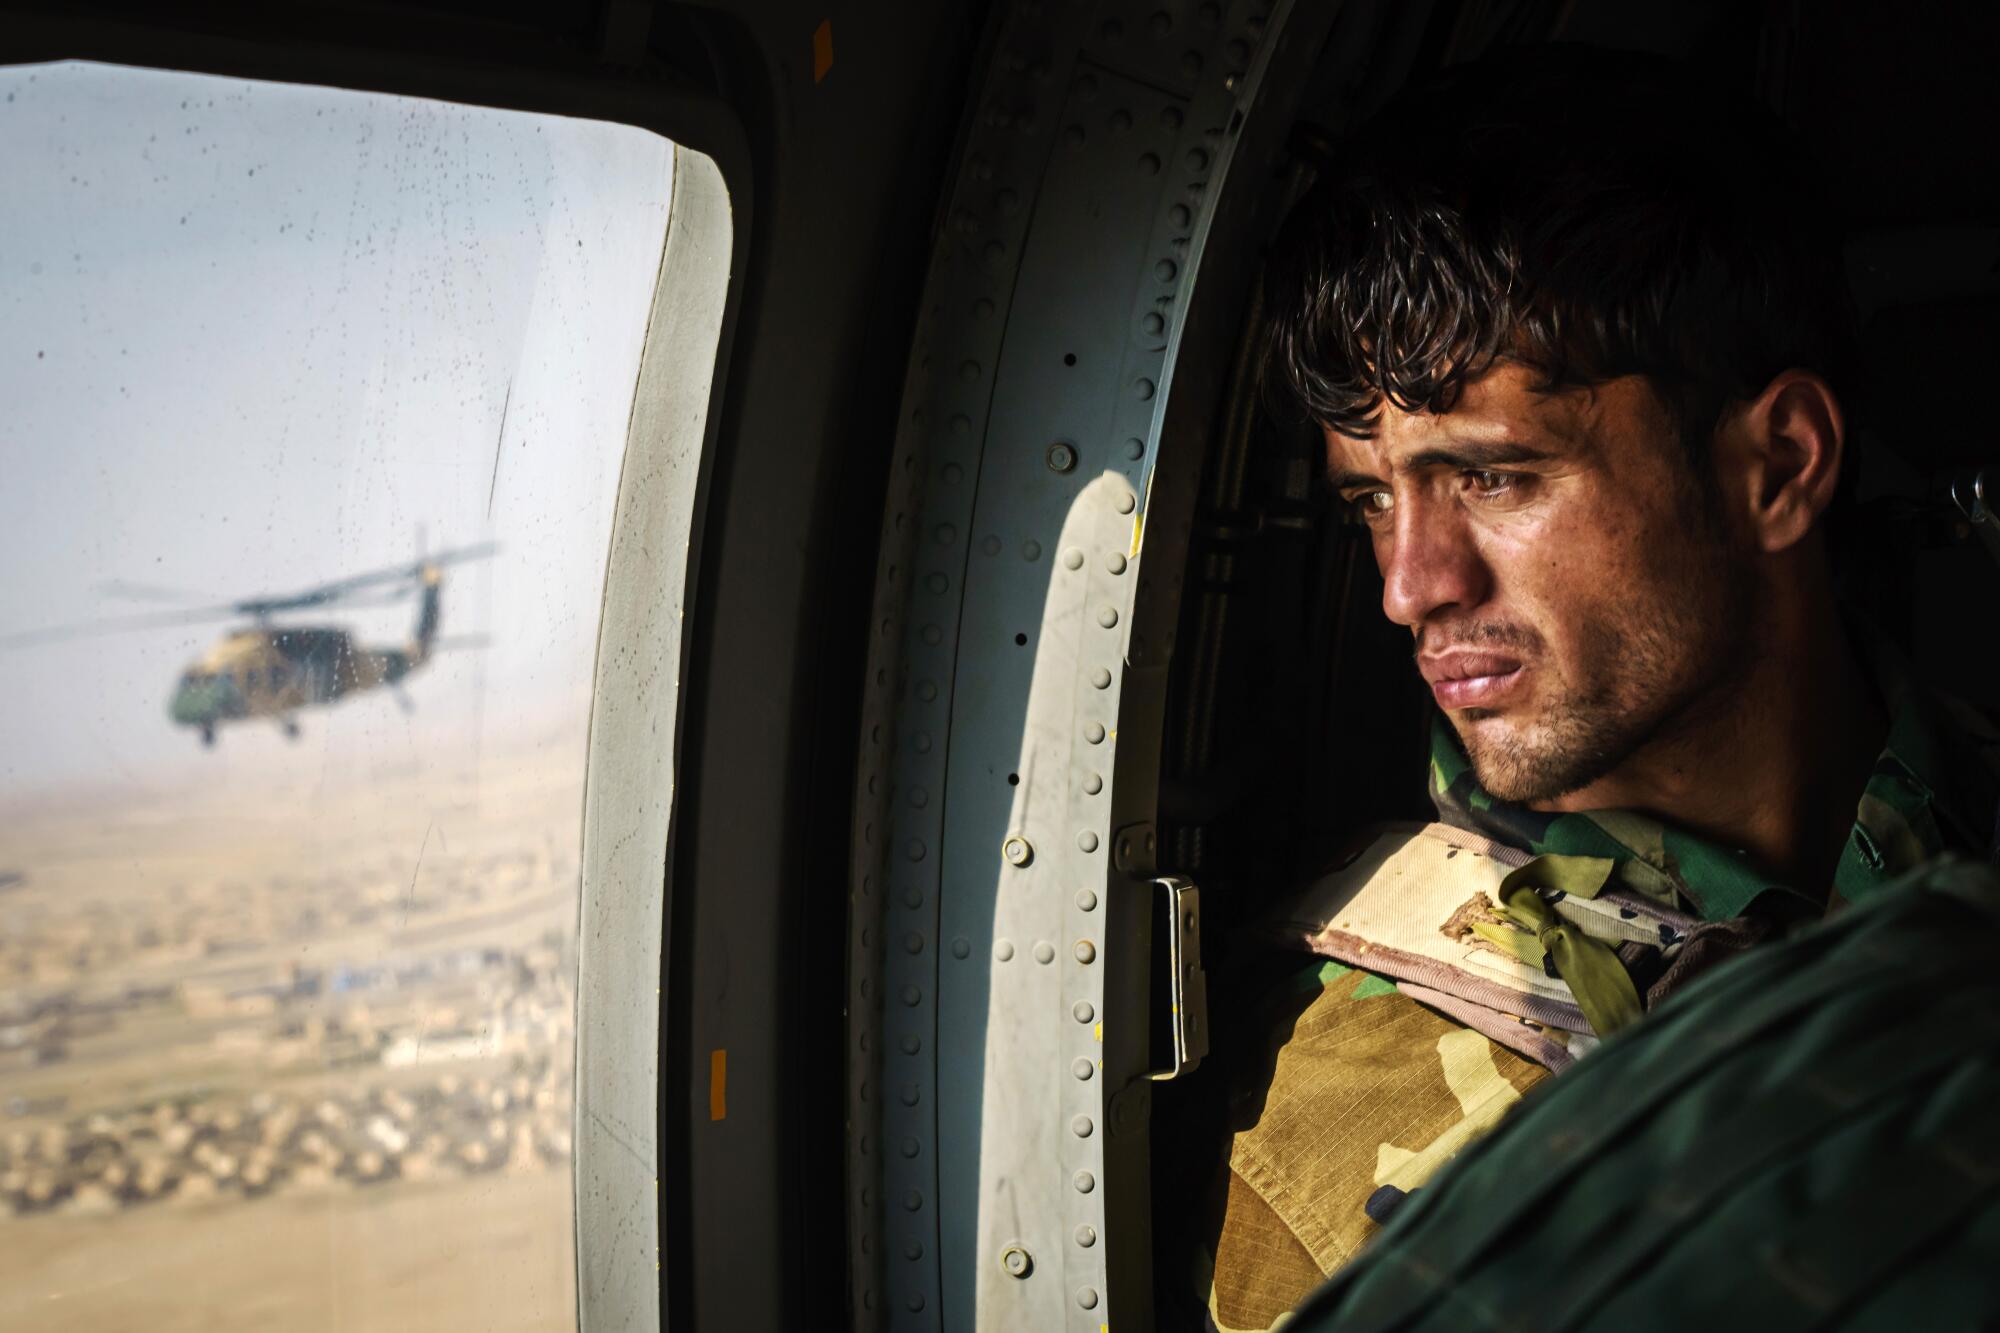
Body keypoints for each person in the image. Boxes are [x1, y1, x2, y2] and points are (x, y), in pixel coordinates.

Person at [1195, 47, 2000, 1333]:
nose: (1411, 586)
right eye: (1369, 500)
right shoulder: (1339, 1120)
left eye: (1496, 478)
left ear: (1778, 467)